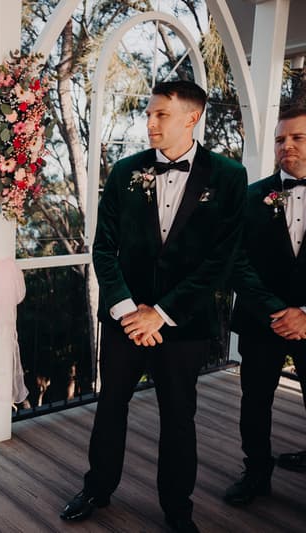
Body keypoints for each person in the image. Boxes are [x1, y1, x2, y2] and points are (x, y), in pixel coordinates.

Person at [59, 80, 247, 533]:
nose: (149, 123)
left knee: (180, 416)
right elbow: (103, 248)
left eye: (160, 114)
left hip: (183, 324)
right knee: (111, 407)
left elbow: (221, 260)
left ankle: (177, 509)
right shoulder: (125, 171)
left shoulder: (228, 176)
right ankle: (98, 488)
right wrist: (127, 310)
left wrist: (159, 313)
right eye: (148, 114)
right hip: (125, 321)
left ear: (191, 117)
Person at [225, 107, 306, 506]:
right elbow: (235, 262)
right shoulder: (252, 196)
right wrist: (279, 311)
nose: (286, 145)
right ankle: (256, 472)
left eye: (297, 138)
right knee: (255, 402)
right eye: (280, 139)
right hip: (262, 323)